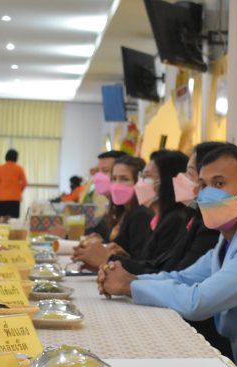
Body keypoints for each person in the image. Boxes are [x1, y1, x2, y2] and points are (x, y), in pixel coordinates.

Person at [100, 143, 237, 367]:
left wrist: (129, 286)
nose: (205, 193)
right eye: (203, 185)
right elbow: (184, 277)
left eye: (219, 184)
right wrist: (130, 279)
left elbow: (198, 302)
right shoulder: (233, 232)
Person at [98, 141, 229, 356]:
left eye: (190, 173)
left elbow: (192, 295)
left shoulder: (201, 225)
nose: (194, 186)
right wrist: (125, 275)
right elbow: (177, 274)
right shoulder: (195, 220)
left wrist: (127, 281)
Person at [73, 155, 153, 270]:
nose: (117, 184)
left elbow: (140, 262)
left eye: (124, 179)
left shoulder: (141, 215)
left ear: (138, 182)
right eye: (114, 179)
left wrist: (107, 255)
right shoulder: (119, 211)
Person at [85, 151, 145, 237]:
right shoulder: (117, 209)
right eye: (114, 178)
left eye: (105, 171)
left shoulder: (140, 214)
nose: (98, 176)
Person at [0, 149, 27, 222]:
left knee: (3, 218)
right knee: (13, 219)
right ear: (16, 158)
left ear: (6, 157)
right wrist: (19, 190)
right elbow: (24, 182)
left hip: (2, 197)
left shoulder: (0, 168)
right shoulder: (19, 168)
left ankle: (3, 228)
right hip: (14, 197)